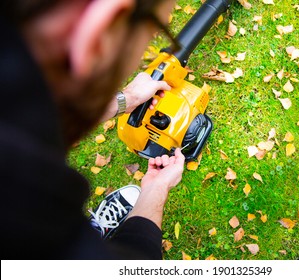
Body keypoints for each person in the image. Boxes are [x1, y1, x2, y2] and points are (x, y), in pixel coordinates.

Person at [0, 0, 185, 259]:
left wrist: (127, 99)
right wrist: (156, 189)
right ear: (97, 37)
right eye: (155, 31)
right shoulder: (39, 240)